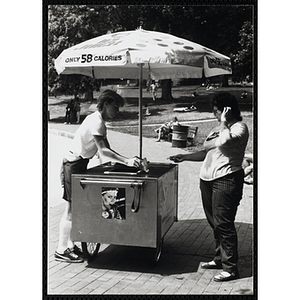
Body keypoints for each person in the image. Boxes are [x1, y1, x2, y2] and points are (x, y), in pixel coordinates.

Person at [55, 90, 142, 263]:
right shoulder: (96, 121)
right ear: (106, 104)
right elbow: (104, 151)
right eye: (115, 107)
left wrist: (122, 164)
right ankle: (61, 249)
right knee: (72, 209)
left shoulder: (99, 121)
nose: (117, 112)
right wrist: (127, 161)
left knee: (77, 208)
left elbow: (105, 153)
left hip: (79, 163)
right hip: (72, 164)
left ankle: (70, 246)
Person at [169, 92, 249, 282]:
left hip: (226, 179)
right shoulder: (217, 128)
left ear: (227, 111)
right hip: (207, 181)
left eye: (217, 112)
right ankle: (219, 258)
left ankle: (231, 268)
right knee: (214, 222)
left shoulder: (239, 128)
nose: (214, 115)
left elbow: (225, 141)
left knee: (224, 223)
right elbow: (207, 151)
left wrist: (223, 122)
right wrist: (185, 157)